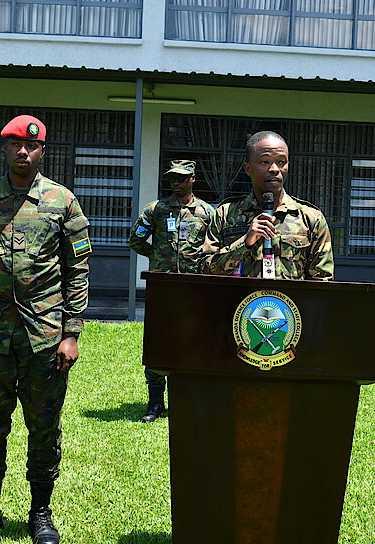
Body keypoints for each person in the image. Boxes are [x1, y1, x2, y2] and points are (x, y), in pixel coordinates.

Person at [0, 114, 91, 544]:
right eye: (15, 144)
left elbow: (77, 270)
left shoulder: (62, 201)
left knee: (44, 426)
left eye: (31, 146)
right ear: (5, 147)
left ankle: (41, 513)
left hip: (44, 336)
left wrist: (71, 333)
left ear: (42, 151)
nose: (22, 151)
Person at [128, 159, 215, 422]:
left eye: (181, 177)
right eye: (172, 178)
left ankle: (188, 398)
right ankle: (155, 402)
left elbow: (215, 247)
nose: (176, 182)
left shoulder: (206, 213)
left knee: (192, 342)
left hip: (193, 288)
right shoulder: (156, 210)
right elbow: (135, 240)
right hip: (162, 287)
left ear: (192, 179)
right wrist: (157, 256)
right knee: (158, 342)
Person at [203, 130, 334, 280]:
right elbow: (204, 271)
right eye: (264, 162)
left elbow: (322, 282)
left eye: (281, 162)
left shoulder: (310, 218)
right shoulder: (225, 214)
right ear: (247, 168)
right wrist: (244, 243)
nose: (274, 169)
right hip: (240, 296)